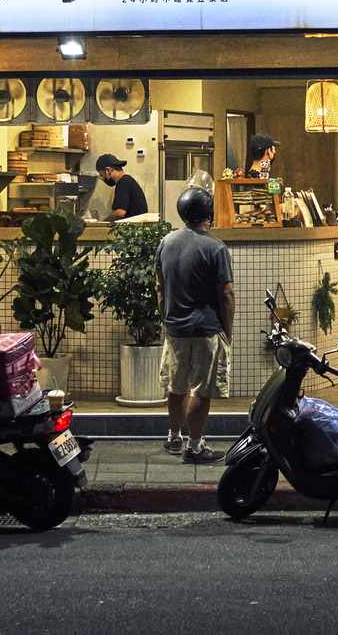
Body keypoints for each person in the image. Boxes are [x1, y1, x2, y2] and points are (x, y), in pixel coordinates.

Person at [156, 183, 235, 464]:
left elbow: (160, 288)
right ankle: (195, 446)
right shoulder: (216, 248)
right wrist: (228, 329)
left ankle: (174, 436)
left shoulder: (166, 242)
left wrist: (166, 320)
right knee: (201, 389)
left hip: (175, 328)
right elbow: (226, 295)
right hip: (204, 329)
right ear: (208, 214)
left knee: (176, 386)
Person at [96, 154, 148, 221]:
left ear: (108, 170)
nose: (103, 179)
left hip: (133, 229)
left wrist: (103, 223)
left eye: (102, 175)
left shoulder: (123, 182)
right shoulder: (127, 180)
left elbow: (119, 213)